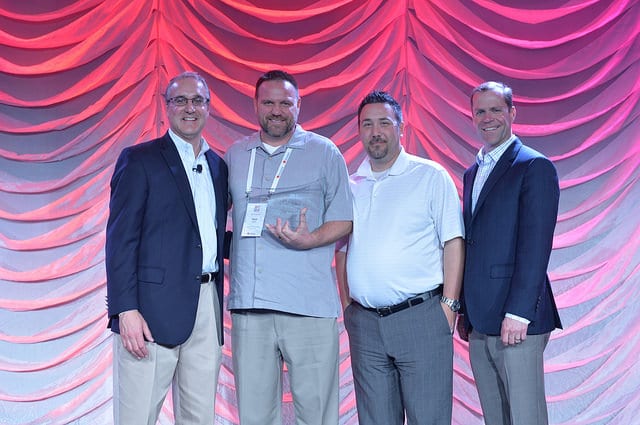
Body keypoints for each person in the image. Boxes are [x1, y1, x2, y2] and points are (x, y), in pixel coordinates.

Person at [224, 70, 353, 425]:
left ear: (299, 105)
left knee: (317, 415)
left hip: (308, 307)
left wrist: (311, 239)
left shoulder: (324, 152)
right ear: (255, 105)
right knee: (255, 416)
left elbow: (344, 220)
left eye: (285, 103)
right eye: (268, 102)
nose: (277, 110)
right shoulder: (236, 154)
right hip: (250, 308)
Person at [335, 90, 465, 425]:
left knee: (428, 418)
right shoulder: (350, 186)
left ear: (401, 128)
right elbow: (342, 251)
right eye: (367, 124)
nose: (375, 131)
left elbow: (453, 242)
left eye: (384, 123)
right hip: (365, 325)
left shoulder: (430, 176)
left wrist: (449, 307)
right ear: (359, 130)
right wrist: (348, 308)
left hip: (421, 318)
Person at [105, 71, 229, 424]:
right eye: (181, 100)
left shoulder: (218, 167)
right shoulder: (139, 159)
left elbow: (207, 237)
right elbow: (120, 240)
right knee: (137, 416)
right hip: (150, 312)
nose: (190, 108)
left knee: (199, 417)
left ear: (208, 107)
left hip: (206, 306)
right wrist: (125, 309)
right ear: (167, 106)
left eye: (197, 100)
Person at [458, 81, 562, 425]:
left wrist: (519, 312)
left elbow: (536, 246)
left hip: (516, 320)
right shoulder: (472, 173)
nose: (487, 118)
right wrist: (464, 310)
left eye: (495, 110)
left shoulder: (534, 166)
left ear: (512, 113)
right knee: (496, 418)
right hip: (480, 319)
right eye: (480, 111)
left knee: (525, 417)